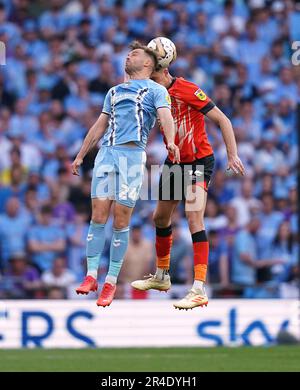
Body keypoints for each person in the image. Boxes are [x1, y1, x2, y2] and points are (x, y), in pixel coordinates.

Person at [72, 41, 180, 307]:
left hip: (132, 157)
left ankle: (110, 281)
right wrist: (81, 154)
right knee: (98, 215)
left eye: (135, 53)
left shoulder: (156, 91)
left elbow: (166, 117)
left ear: (147, 63)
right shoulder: (114, 91)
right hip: (107, 153)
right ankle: (90, 276)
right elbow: (100, 125)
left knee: (121, 219)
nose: (129, 55)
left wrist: (171, 140)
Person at [131, 63, 245, 310]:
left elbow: (222, 119)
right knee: (160, 218)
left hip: (197, 162)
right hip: (175, 163)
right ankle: (162, 275)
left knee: (194, 218)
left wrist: (232, 154)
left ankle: (199, 288)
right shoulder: (153, 95)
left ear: (162, 70)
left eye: (150, 73)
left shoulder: (187, 89)